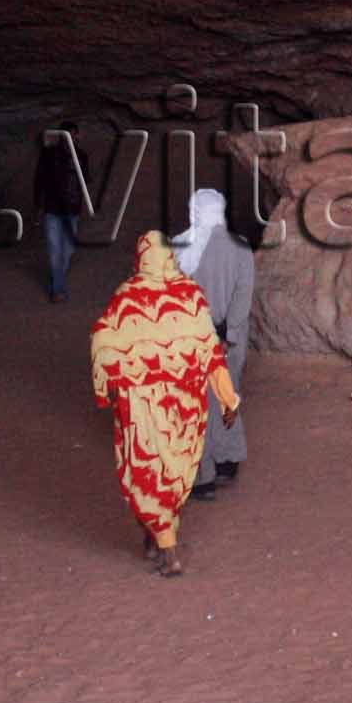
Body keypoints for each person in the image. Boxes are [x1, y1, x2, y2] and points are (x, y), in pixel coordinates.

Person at [89, 232, 239, 577]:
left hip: (142, 409)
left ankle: (168, 551)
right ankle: (158, 536)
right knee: (174, 478)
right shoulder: (190, 296)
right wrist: (228, 401)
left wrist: (108, 387)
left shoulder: (127, 298)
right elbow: (211, 353)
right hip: (184, 411)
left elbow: (102, 341)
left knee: (146, 474)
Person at [176, 188, 255, 501]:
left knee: (198, 403)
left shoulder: (181, 247)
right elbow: (243, 294)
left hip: (195, 336)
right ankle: (228, 459)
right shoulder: (241, 246)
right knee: (227, 393)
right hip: (231, 339)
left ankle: (203, 475)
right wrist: (228, 330)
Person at [34, 127, 89, 304]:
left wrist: (85, 203)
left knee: (68, 250)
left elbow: (84, 183)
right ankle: (57, 290)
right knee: (54, 249)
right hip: (53, 209)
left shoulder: (81, 156)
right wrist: (38, 205)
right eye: (71, 133)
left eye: (76, 133)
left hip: (72, 210)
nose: (75, 136)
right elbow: (40, 179)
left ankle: (56, 281)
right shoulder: (49, 154)